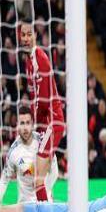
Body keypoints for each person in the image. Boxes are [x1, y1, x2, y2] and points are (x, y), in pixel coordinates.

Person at [19, 18, 65, 201]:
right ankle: (49, 204)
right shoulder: (29, 62)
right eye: (23, 34)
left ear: (36, 35)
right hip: (44, 125)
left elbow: (43, 101)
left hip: (52, 122)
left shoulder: (40, 59)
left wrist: (33, 125)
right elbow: (33, 97)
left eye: (29, 34)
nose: (25, 38)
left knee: (38, 179)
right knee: (43, 178)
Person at [0, 106, 59, 206]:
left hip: (44, 204)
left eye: (28, 123)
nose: (25, 128)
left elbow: (55, 172)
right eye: (22, 123)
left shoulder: (44, 143)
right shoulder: (13, 151)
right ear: (17, 125)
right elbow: (4, 181)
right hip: (25, 207)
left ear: (32, 124)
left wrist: (43, 193)